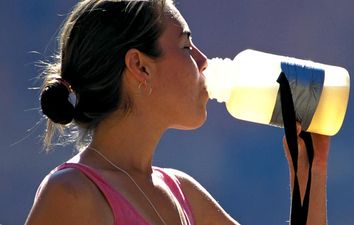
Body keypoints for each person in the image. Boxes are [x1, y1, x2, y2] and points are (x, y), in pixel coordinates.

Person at [25, 0, 330, 224]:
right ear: (140, 66)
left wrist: (308, 174)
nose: (203, 61)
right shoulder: (72, 195)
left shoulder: (182, 193)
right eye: (186, 46)